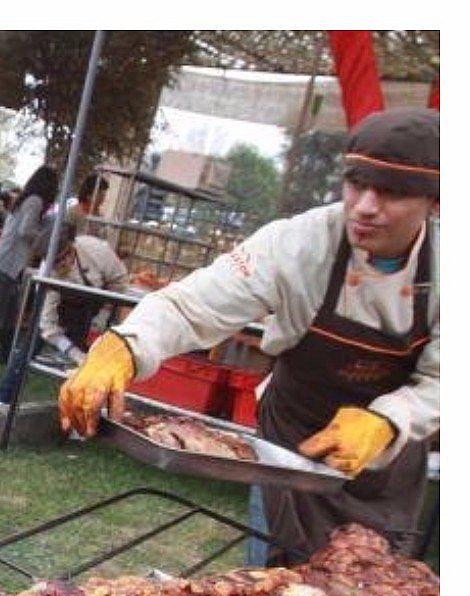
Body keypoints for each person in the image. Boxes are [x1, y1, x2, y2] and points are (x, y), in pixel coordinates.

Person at [59, 108, 439, 566]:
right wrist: (122, 347)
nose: (365, 206)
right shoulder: (300, 243)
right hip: (290, 447)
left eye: (393, 192)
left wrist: (390, 420)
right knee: (272, 586)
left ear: (434, 203)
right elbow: (191, 305)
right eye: (356, 183)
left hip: (387, 469)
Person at [0, 220, 128, 405]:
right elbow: (47, 325)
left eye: (64, 257)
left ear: (72, 246)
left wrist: (106, 312)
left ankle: (74, 407)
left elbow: (119, 283)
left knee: (82, 367)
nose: (61, 264)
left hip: (89, 307)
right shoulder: (47, 275)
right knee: (27, 349)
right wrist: (71, 350)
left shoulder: (97, 251)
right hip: (62, 305)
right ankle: (2, 400)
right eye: (55, 262)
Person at [0, 165, 59, 363]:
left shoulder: (26, 199)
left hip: (6, 260)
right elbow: (25, 230)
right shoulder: (35, 201)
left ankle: (5, 354)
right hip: (7, 261)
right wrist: (43, 237)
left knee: (9, 311)